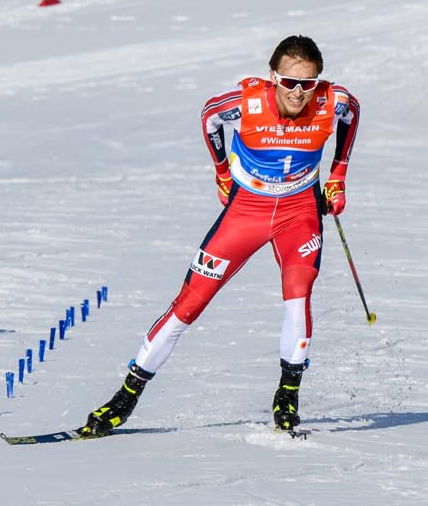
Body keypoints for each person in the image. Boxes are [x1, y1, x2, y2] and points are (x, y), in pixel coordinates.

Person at [79, 35, 359, 437]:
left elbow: (352, 114)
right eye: (289, 82)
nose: (298, 93)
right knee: (190, 303)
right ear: (272, 77)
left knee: (298, 294)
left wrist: (338, 175)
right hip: (247, 212)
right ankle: (125, 397)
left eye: (308, 83)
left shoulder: (334, 101)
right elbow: (209, 116)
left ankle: (287, 395)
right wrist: (222, 172)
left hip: (299, 213)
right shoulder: (244, 105)